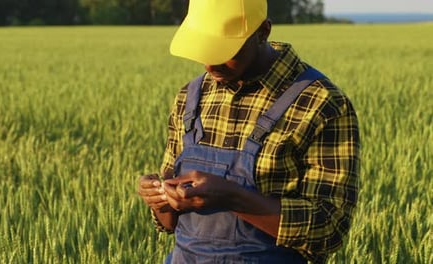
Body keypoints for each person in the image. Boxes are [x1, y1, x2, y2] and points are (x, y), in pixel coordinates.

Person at [137, 0, 360, 263]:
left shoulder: (320, 103)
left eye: (224, 51)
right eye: (204, 50)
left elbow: (329, 229)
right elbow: (169, 223)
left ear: (263, 32)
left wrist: (232, 197)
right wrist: (160, 198)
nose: (211, 64)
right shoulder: (190, 96)